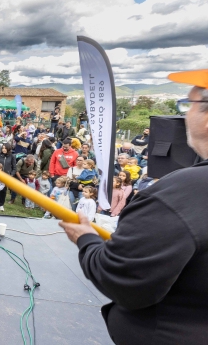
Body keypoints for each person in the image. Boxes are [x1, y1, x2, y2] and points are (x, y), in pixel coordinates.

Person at [58, 69, 208, 344]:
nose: (184, 115)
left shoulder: (182, 193)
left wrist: (87, 240)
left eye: (187, 105)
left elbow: (123, 279)